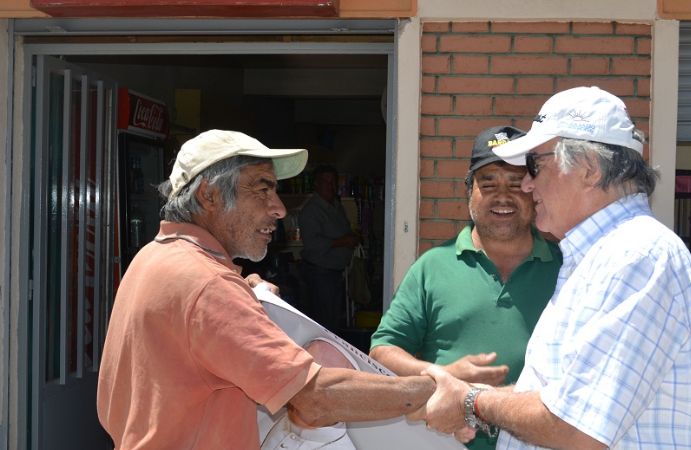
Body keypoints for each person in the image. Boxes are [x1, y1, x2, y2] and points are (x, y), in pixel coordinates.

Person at [416, 87, 691, 449]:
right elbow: (565, 398)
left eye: (535, 165)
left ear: (588, 169)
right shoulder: (606, 256)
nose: (527, 183)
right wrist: (478, 405)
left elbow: (577, 429)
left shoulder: (636, 257)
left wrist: (472, 401)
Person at [96, 130, 437, 450]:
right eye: (262, 189)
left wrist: (245, 290)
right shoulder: (209, 286)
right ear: (208, 195)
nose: (279, 208)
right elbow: (314, 399)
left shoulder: (157, 257)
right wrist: (436, 393)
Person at [369, 125, 562, 450]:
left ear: (534, 190)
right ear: (468, 190)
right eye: (488, 184)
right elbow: (383, 351)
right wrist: (442, 374)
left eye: (516, 184)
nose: (502, 196)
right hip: (444, 442)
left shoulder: (568, 268)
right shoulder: (433, 266)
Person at [298, 164, 359, 331]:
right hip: (320, 275)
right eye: (326, 182)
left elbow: (343, 230)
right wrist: (344, 241)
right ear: (316, 184)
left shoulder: (336, 206)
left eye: (333, 182)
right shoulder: (311, 210)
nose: (331, 186)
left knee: (333, 320)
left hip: (334, 274)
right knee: (324, 324)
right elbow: (312, 244)